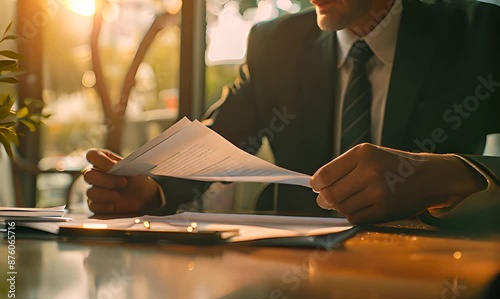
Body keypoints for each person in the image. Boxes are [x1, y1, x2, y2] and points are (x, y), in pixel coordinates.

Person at [84, 0, 500, 226]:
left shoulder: (479, 33)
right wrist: (153, 189)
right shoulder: (275, 43)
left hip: (438, 275)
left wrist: (448, 174)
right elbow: (222, 137)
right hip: (296, 277)